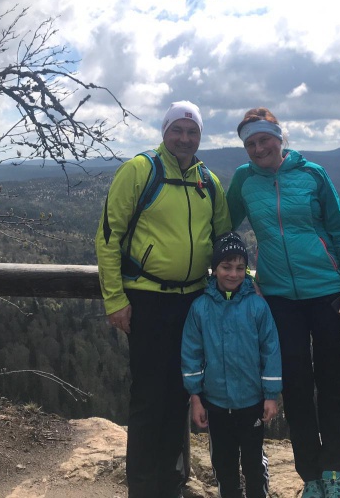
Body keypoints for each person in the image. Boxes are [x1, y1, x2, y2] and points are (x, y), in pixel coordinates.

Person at [95, 100, 231, 498]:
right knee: (148, 397)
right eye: (177, 130)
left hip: (193, 302)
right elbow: (108, 237)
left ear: (200, 136)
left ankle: (170, 484)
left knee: (181, 394)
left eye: (192, 132)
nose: (184, 138)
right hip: (148, 299)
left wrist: (231, 291)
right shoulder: (140, 170)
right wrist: (115, 299)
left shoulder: (208, 181)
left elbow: (223, 242)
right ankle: (142, 488)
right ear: (164, 132)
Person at [226, 108, 340, 498]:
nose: (258, 149)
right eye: (250, 144)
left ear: (279, 137)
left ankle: (333, 472)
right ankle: (310, 476)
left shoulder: (312, 174)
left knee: (333, 382)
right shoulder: (243, 180)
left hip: (328, 293)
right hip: (279, 299)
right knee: (297, 386)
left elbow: (339, 228)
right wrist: (239, 275)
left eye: (264, 140)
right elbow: (223, 229)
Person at [181, 231, 282, 498]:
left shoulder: (257, 306)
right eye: (226, 267)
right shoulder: (200, 308)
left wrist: (271, 395)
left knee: (253, 462)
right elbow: (191, 354)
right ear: (214, 269)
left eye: (240, 268)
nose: (233, 274)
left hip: (251, 402)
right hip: (216, 403)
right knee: (223, 464)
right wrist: (196, 398)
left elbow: (270, 350)